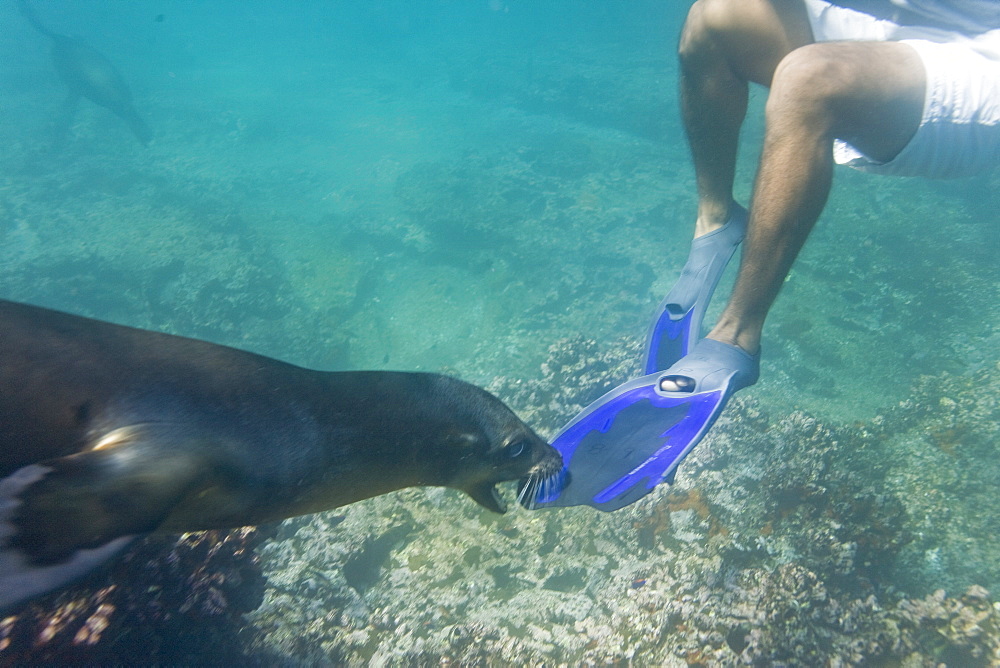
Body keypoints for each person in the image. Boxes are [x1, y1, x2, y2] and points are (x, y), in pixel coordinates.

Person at [532, 0, 1000, 512]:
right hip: (909, 24)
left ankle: (738, 333)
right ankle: (716, 219)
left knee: (810, 80)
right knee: (711, 21)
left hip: (986, 54)